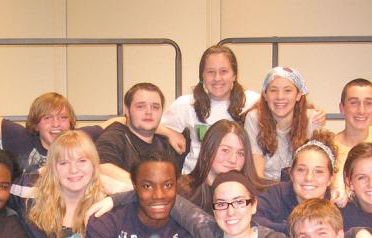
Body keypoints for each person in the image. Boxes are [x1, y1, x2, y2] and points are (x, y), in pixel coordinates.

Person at [253, 130, 372, 238]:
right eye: (301, 170)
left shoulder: (339, 207)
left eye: (319, 172)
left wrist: (357, 235)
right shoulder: (276, 196)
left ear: (330, 179)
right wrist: (296, 230)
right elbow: (249, 219)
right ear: (291, 173)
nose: (309, 178)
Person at [159, 45, 260, 174]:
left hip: (236, 180)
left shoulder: (253, 102)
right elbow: (146, 124)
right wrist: (169, 133)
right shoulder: (186, 104)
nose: (217, 78)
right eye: (210, 72)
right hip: (196, 179)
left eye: (223, 71)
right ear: (202, 76)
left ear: (234, 75)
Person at [172, 170, 294, 238]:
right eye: (221, 204)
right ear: (214, 210)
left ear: (253, 205)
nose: (230, 212)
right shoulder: (206, 232)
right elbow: (171, 200)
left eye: (239, 202)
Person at [94, 83, 183, 189]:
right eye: (140, 106)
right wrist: (148, 186)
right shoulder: (114, 137)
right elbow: (102, 168)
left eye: (155, 107)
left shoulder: (166, 144)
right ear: (127, 110)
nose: (149, 112)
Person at [245, 66, 326, 180]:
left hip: (299, 184)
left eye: (287, 90)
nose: (280, 96)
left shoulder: (312, 119)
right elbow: (257, 169)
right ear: (265, 95)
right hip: (266, 185)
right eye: (273, 90)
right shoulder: (254, 118)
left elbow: (314, 165)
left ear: (298, 95)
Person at [177, 119, 268, 214]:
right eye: (225, 150)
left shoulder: (260, 195)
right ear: (208, 150)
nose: (233, 160)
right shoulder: (184, 191)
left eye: (240, 153)